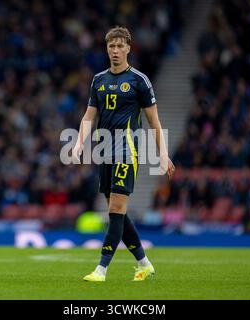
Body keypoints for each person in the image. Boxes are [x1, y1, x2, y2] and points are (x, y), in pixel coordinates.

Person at [72, 26, 175, 282]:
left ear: (128, 48)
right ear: (107, 49)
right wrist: (77, 144)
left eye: (120, 46)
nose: (115, 51)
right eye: (111, 46)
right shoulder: (99, 80)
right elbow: (89, 116)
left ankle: (101, 269)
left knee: (116, 208)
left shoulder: (140, 81)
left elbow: (154, 121)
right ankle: (144, 263)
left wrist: (163, 154)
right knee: (117, 212)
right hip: (105, 150)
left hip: (126, 150)